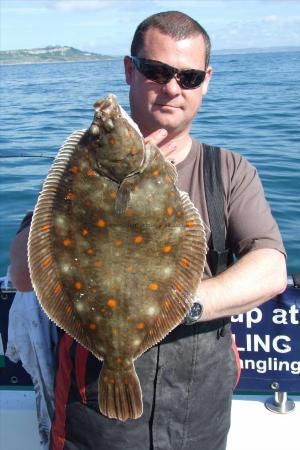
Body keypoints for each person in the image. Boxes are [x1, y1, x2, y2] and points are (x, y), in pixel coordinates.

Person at [10, 11, 287, 450]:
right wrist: (62, 188)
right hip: (91, 412)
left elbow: (272, 270)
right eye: (156, 71)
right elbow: (25, 277)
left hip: (199, 416)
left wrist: (176, 305)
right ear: (129, 70)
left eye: (189, 76)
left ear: (206, 81)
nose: (173, 88)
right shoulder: (74, 175)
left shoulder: (229, 171)